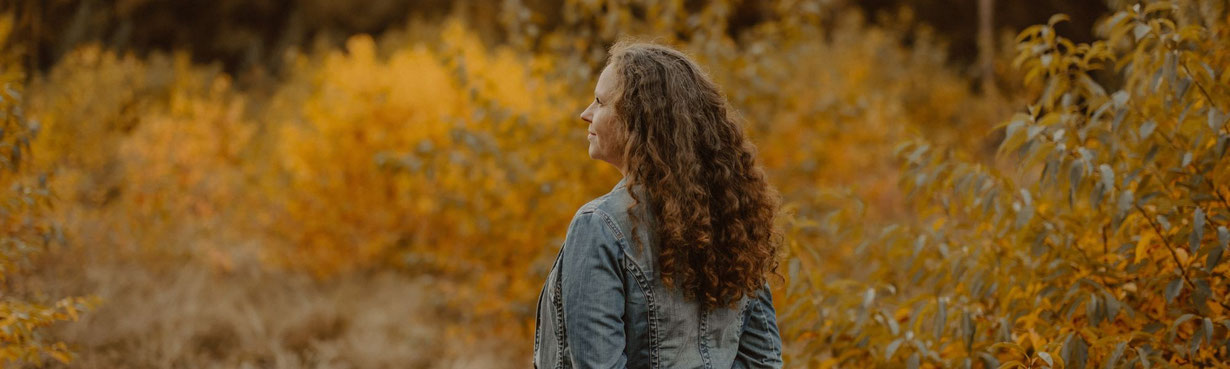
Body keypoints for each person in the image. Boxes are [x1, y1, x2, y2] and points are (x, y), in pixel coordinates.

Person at [533, 40, 784, 369]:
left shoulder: (599, 225)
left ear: (639, 120)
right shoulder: (730, 218)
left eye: (599, 101)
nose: (585, 114)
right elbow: (763, 361)